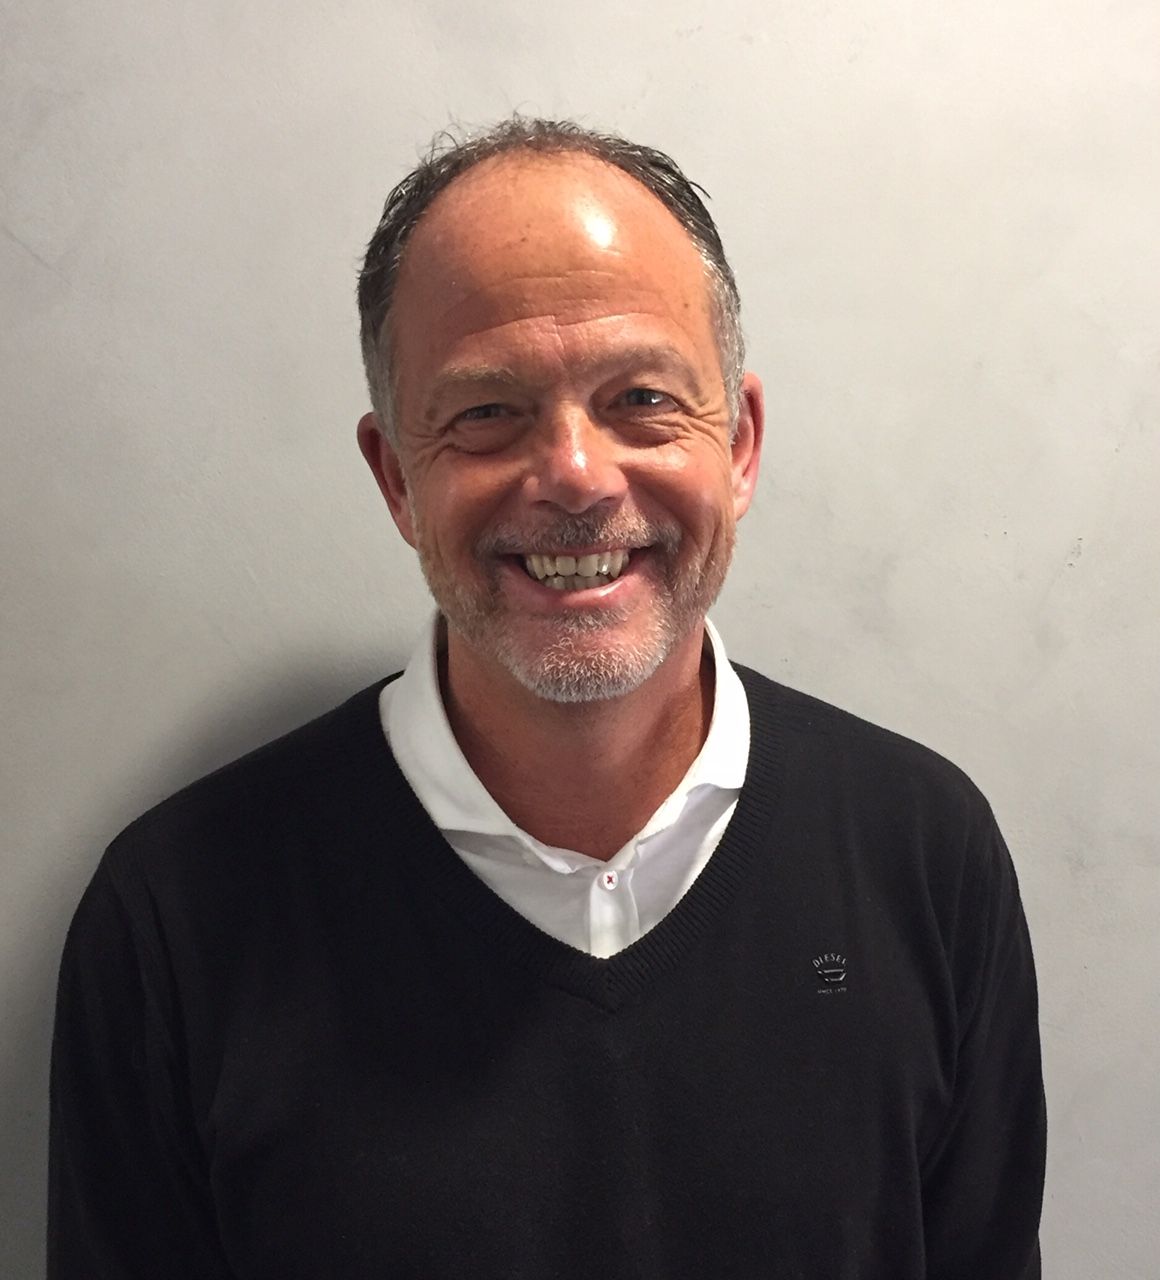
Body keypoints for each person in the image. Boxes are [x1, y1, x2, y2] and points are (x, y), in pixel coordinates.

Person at [48, 117, 1046, 1278]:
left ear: (739, 444)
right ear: (395, 477)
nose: (573, 473)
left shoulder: (923, 854)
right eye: (485, 411)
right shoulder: (173, 922)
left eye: (641, 398)